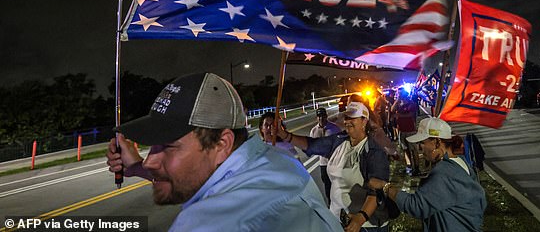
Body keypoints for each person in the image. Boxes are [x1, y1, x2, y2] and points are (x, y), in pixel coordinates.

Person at [106, 72, 341, 232]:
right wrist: (136, 166)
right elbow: (205, 179)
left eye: (168, 146)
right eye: (153, 145)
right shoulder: (274, 160)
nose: (149, 162)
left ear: (222, 144)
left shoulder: (209, 223)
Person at [276, 102, 390, 232]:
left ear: (364, 121)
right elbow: (311, 145)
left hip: (366, 225)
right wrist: (284, 135)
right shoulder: (338, 141)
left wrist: (360, 218)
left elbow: (377, 192)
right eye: (346, 117)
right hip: (338, 220)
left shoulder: (374, 152)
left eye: (353, 118)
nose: (347, 121)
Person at [368, 117, 486, 232]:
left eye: (422, 143)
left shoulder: (444, 172)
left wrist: (385, 186)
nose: (419, 147)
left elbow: (415, 206)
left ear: (436, 142)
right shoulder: (459, 161)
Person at [310, 107, 341, 205]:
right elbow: (311, 146)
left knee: (337, 185)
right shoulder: (314, 131)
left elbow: (341, 144)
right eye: (319, 116)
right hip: (324, 163)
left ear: (326, 116)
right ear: (316, 118)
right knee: (327, 185)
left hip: (335, 162)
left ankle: (340, 206)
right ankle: (330, 204)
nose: (321, 118)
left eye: (323, 116)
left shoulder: (334, 128)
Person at [391, 88, 421, 176]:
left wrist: (400, 115)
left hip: (410, 130)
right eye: (398, 93)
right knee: (405, 149)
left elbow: (411, 114)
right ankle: (410, 166)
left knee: (413, 150)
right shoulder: (399, 103)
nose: (398, 95)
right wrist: (397, 101)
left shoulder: (410, 103)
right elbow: (392, 110)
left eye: (400, 93)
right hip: (401, 130)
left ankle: (417, 167)